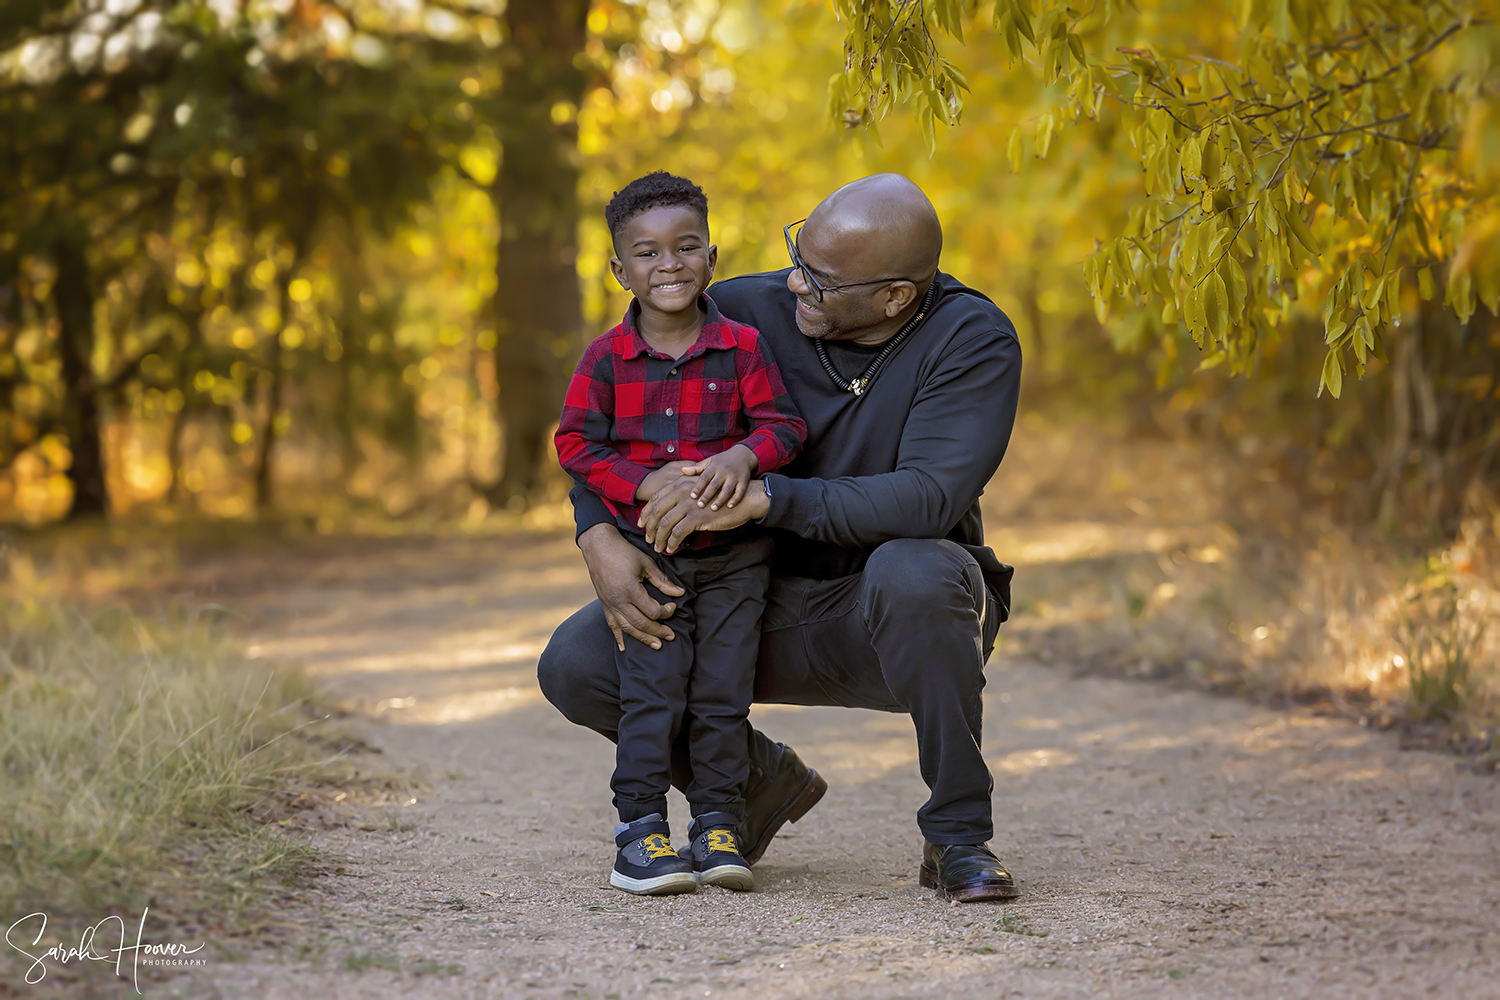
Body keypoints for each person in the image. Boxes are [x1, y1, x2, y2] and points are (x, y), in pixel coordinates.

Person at [541, 173, 1023, 903]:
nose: (794, 282)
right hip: (744, 592)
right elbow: (616, 424)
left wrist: (765, 499)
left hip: (884, 618)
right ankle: (752, 785)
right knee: (577, 661)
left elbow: (927, 499)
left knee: (916, 572)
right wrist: (595, 536)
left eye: (820, 279)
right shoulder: (738, 310)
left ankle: (957, 837)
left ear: (894, 297)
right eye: (799, 253)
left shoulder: (970, 340)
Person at [554, 172, 807, 896]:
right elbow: (575, 444)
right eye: (646, 252)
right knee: (652, 695)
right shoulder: (605, 359)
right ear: (619, 271)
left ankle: (720, 825)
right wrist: (639, 486)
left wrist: (740, 456)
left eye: (685, 246)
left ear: (712, 258)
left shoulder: (744, 347)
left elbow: (785, 428)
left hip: (737, 563)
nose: (668, 264)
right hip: (650, 565)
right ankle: (639, 832)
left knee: (722, 696)